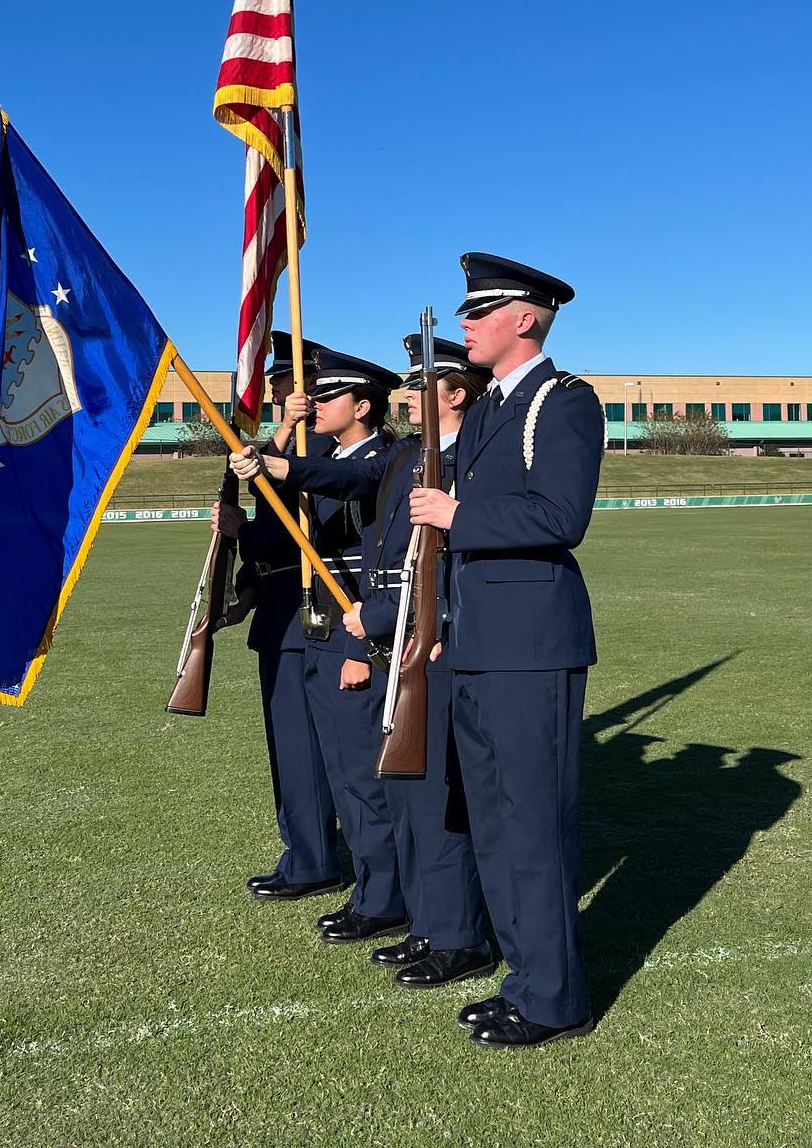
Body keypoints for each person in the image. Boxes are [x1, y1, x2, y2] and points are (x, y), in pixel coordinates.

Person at [236, 336, 497, 982]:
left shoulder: (468, 456)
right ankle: (426, 920)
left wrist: (365, 632)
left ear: (456, 393)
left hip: (419, 638)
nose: (406, 396)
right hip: (385, 633)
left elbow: (434, 562)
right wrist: (278, 461)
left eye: (419, 385)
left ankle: (448, 928)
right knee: (403, 794)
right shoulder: (406, 456)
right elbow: (353, 490)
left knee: (423, 796)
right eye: (405, 385)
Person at [409, 251, 602, 1050]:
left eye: (478, 312)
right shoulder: (489, 409)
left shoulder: (563, 402)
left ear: (524, 317)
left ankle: (555, 1000)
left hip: (531, 647)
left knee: (532, 825)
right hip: (480, 642)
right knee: (492, 821)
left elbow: (561, 516)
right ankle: (525, 979)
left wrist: (457, 518)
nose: (465, 324)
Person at [214, 333, 343, 901]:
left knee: (302, 748)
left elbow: (291, 532)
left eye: (284, 380)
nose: (272, 387)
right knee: (288, 748)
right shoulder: (282, 443)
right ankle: (304, 851)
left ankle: (314, 859)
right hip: (277, 610)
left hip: (306, 615)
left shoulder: (319, 450)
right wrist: (245, 589)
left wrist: (241, 531)